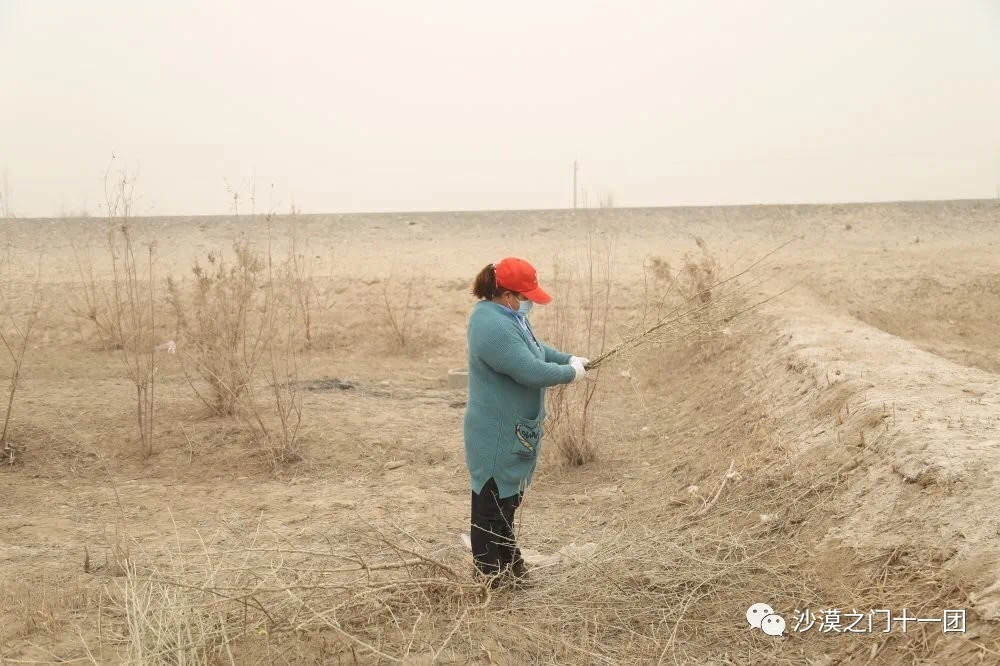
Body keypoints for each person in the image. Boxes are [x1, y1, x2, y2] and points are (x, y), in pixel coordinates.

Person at [463, 257, 588, 588]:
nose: (529, 303)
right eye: (525, 296)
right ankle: (491, 578)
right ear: (505, 294)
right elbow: (530, 370)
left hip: (512, 430)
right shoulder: (491, 325)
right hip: (495, 433)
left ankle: (509, 566)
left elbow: (535, 349)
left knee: (506, 504)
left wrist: (567, 359)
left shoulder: (506, 317)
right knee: (491, 507)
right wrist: (570, 374)